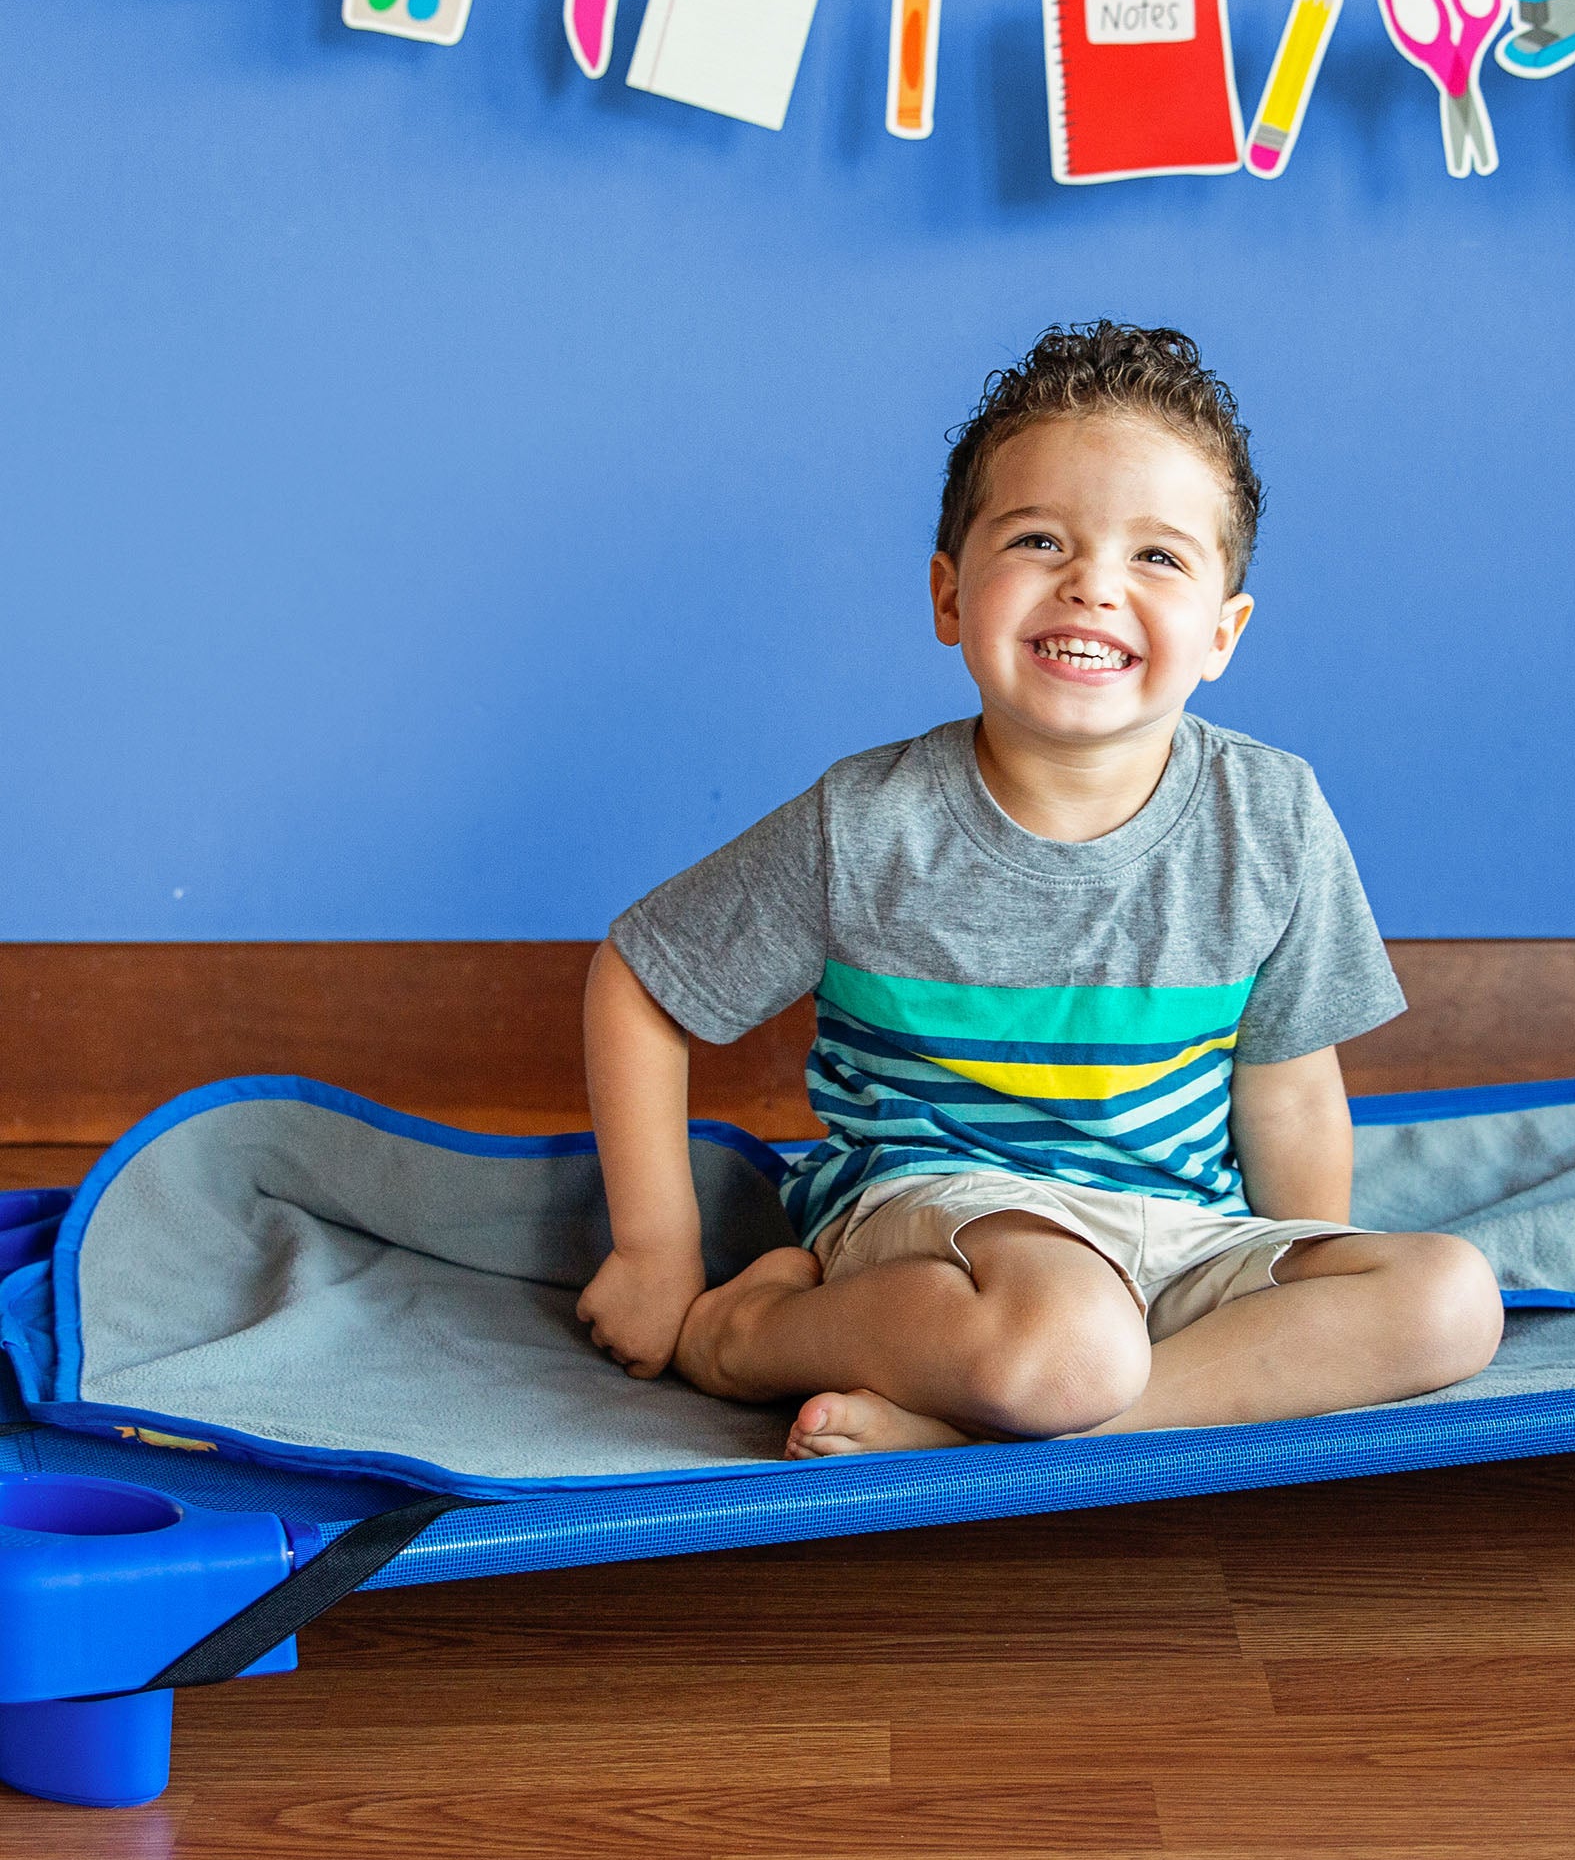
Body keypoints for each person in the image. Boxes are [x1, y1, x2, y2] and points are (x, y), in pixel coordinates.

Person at [575, 321, 1503, 1457]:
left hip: (1173, 1233)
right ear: (951, 594)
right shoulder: (867, 822)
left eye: (1156, 557)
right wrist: (656, 1251)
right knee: (1070, 1335)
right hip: (942, 1221)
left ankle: (1015, 1422)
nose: (1092, 586)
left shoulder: (1272, 815)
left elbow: (1293, 1093)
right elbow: (641, 977)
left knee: (1453, 1297)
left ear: (1222, 631)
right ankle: (755, 1330)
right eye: (1038, 539)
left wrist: (1293, 1288)